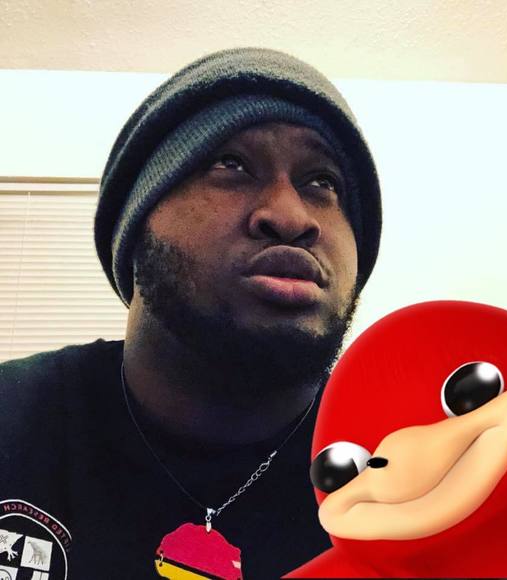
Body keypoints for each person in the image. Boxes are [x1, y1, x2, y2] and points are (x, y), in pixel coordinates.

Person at [0, 47, 381, 579]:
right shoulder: (14, 421)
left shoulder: (409, 476)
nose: (291, 217)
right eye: (231, 164)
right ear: (136, 225)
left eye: (323, 181)